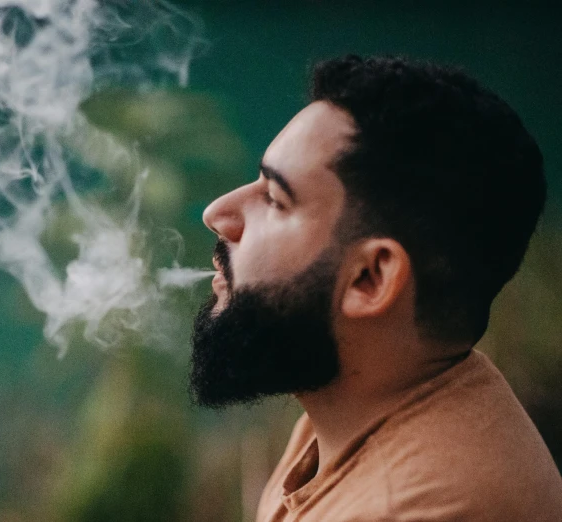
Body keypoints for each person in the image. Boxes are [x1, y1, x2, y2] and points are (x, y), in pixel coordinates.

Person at [189, 55, 562, 521]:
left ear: (370, 279)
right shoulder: (357, 400)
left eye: (275, 198)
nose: (219, 213)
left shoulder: (410, 508)